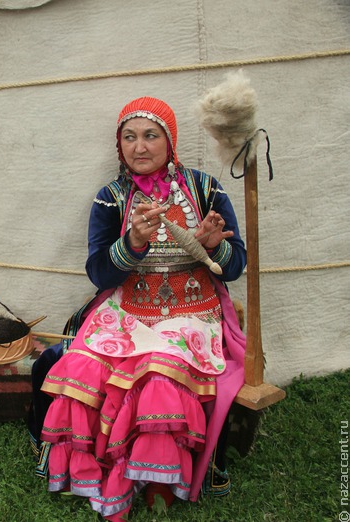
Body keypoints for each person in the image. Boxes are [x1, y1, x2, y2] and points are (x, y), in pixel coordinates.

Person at [36, 97, 246, 520]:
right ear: (120, 146)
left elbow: (236, 265)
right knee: (79, 365)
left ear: (170, 141)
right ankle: (89, 473)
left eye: (151, 135)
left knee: (159, 371)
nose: (140, 147)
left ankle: (157, 482)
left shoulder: (206, 189)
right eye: (129, 137)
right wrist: (130, 244)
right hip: (128, 308)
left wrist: (213, 245)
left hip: (192, 310)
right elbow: (99, 272)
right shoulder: (111, 198)